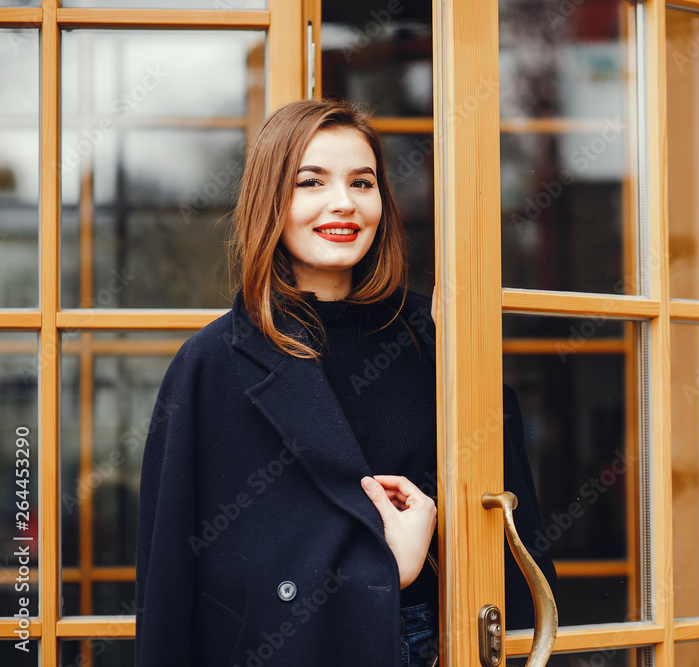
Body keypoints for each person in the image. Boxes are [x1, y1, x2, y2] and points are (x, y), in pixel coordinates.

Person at [135, 98, 554, 667]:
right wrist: (384, 570)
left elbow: (511, 529)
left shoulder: (432, 338)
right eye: (311, 182)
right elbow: (176, 587)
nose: (344, 203)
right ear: (270, 202)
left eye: (363, 182)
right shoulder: (209, 365)